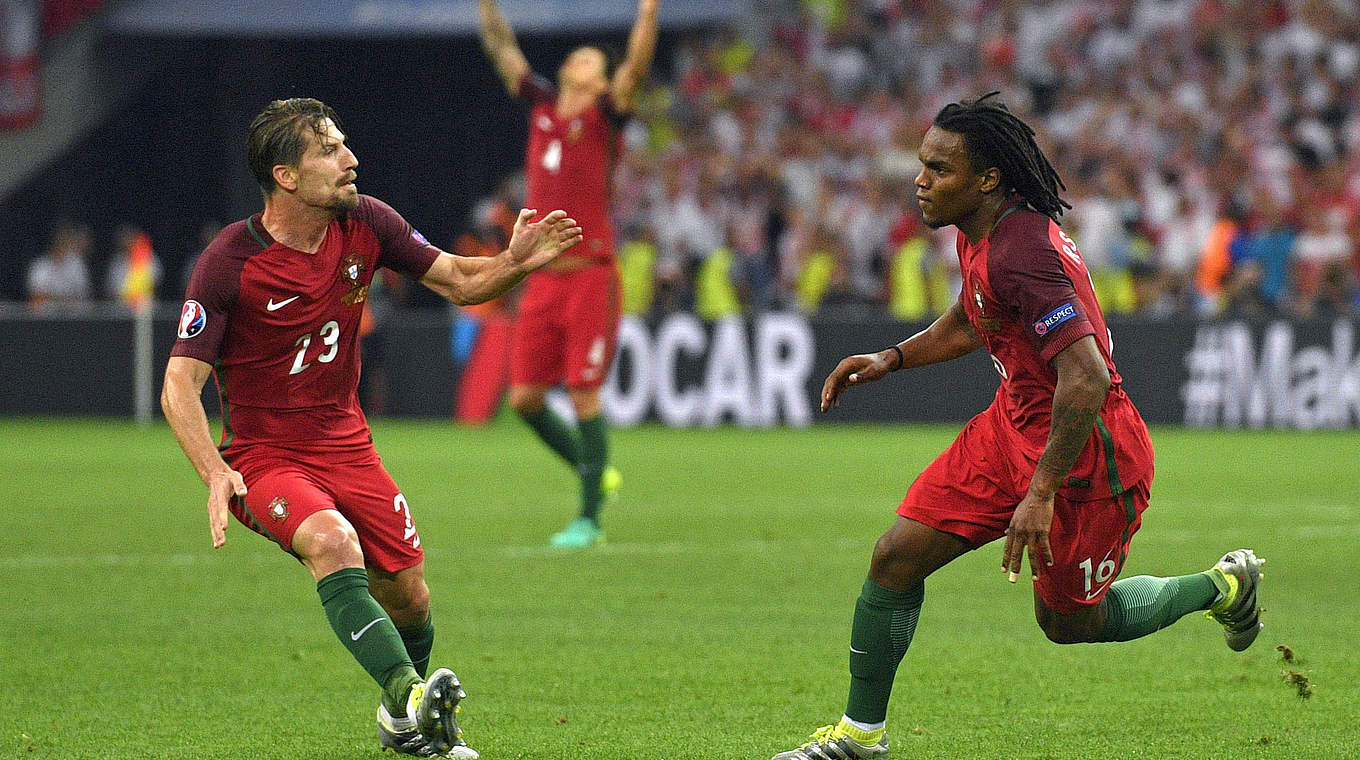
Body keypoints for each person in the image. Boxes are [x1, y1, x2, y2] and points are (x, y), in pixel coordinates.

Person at [773, 94, 1265, 760]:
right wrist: (893, 357)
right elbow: (974, 316)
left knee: (1068, 622)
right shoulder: (983, 233)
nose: (921, 181)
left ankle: (1223, 587)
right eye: (922, 165)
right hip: (1011, 428)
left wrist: (1040, 492)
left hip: (1089, 453)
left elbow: (1086, 379)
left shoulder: (1023, 252)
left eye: (938, 170)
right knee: (895, 557)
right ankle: (862, 738)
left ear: (987, 180)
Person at [161, 98, 581, 759]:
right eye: (329, 150)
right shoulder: (228, 262)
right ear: (287, 175)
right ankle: (417, 705)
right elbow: (178, 386)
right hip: (265, 456)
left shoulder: (366, 223)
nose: (350, 159)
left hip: (347, 443)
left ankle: (397, 721)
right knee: (331, 542)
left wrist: (516, 263)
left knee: (410, 597)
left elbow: (461, 280)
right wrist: (215, 472)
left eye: (344, 144)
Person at [478, 0, 659, 548]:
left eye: (590, 60)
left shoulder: (606, 113)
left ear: (601, 78)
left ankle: (589, 519)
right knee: (526, 400)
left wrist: (648, 13)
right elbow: (501, 47)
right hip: (542, 276)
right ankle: (593, 467)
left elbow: (636, 67)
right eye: (577, 56)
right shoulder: (539, 104)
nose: (579, 61)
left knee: (583, 396)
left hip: (590, 273)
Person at [26, 220, 93, 311]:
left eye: (64, 241)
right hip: (46, 317)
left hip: (73, 317)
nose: (62, 244)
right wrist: (62, 299)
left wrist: (55, 298)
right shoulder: (40, 266)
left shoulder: (77, 263)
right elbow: (36, 295)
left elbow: (81, 293)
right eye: (59, 241)